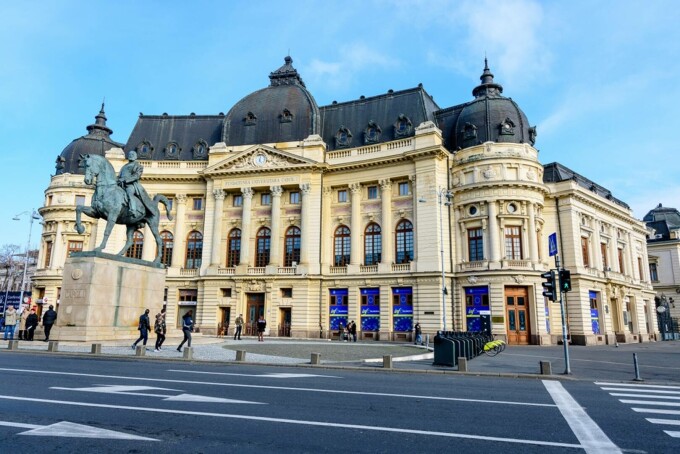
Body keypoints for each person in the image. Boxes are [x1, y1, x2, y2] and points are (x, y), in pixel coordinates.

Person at [117, 150, 154, 216]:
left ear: (135, 157)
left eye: (132, 155)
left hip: (130, 184)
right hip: (121, 184)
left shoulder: (138, 166)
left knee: (129, 194)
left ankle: (133, 209)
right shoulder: (124, 166)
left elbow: (136, 176)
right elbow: (119, 176)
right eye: (130, 154)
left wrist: (125, 180)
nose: (131, 156)